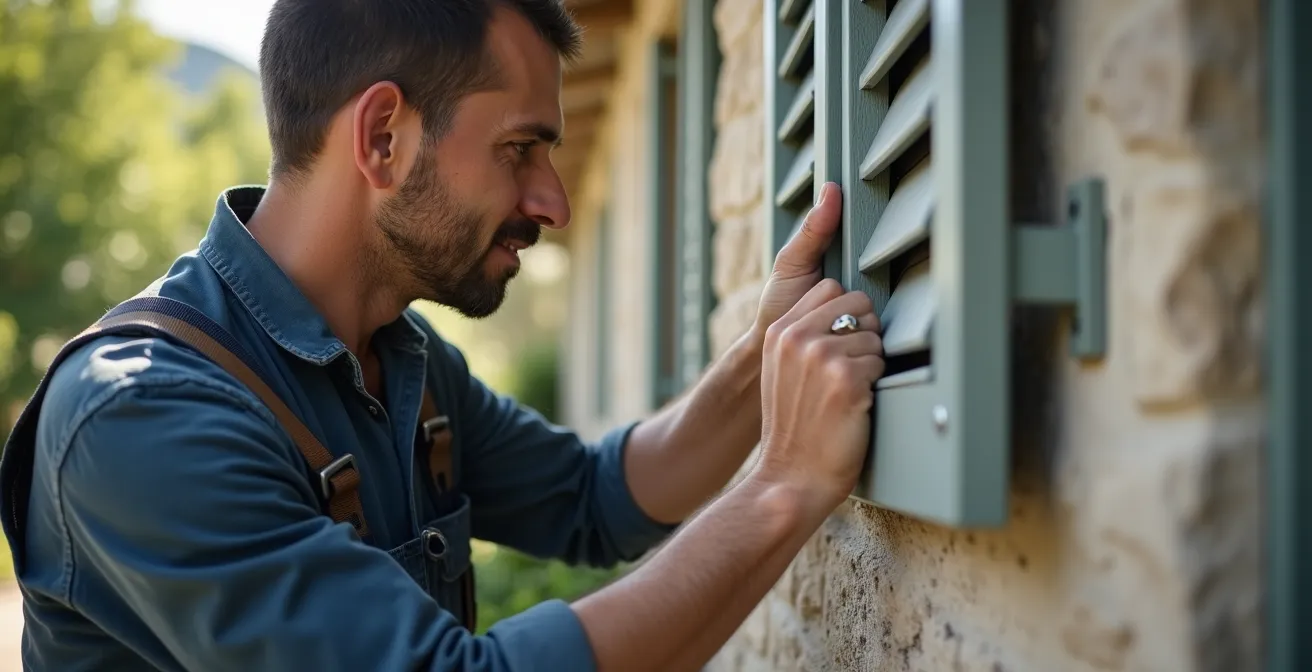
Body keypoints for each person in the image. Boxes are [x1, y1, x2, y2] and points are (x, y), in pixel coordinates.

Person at [0, 0, 885, 670]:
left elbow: (597, 497)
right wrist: (786, 486)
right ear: (384, 137)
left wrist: (766, 357)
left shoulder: (402, 359)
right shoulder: (139, 419)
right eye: (520, 150)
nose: (555, 203)